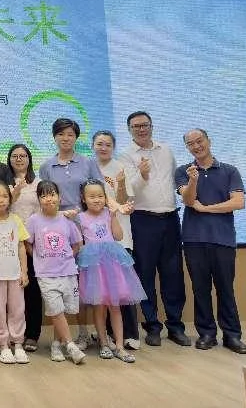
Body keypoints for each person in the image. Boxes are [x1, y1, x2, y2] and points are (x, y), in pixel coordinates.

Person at [120, 111, 190, 347]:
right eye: (136, 126)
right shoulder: (126, 155)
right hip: (143, 219)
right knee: (145, 274)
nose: (141, 129)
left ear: (151, 126)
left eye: (145, 125)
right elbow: (129, 190)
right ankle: (152, 326)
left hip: (170, 218)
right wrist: (142, 174)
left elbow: (175, 181)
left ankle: (176, 326)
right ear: (129, 130)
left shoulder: (166, 150)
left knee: (173, 274)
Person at [175, 129, 246, 355]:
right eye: (191, 144)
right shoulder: (183, 171)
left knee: (226, 288)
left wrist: (207, 208)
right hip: (194, 239)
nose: (196, 146)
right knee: (200, 289)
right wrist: (193, 180)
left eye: (200, 141)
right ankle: (206, 333)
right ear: (187, 147)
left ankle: (232, 335)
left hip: (223, 239)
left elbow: (238, 202)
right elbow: (189, 200)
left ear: (209, 141)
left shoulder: (229, 170)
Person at [38, 117, 104, 350]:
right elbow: (45, 198)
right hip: (57, 231)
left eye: (70, 134)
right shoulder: (47, 166)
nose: (66, 138)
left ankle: (93, 334)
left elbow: (99, 194)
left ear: (76, 137)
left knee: (86, 283)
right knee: (64, 284)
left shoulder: (88, 163)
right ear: (54, 137)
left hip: (87, 230)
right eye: (61, 134)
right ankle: (71, 335)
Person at [76, 179, 145, 364]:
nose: (97, 199)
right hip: (94, 267)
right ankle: (104, 344)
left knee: (115, 307)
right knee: (99, 306)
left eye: (100, 196)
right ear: (83, 198)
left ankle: (119, 346)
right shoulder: (81, 217)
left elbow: (119, 236)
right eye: (92, 196)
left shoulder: (108, 213)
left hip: (112, 264)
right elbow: (79, 243)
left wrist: (114, 216)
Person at [24, 181, 86, 365]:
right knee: (55, 310)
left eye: (51, 194)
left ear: (60, 197)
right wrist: (38, 258)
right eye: (43, 196)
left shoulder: (66, 219)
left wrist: (67, 256)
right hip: (45, 274)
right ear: (38, 199)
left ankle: (56, 344)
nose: (48, 199)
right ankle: (71, 345)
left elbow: (77, 243)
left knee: (64, 310)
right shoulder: (33, 220)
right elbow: (27, 243)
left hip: (68, 272)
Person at [91, 130, 141, 351]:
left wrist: (120, 184)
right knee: (103, 289)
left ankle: (130, 334)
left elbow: (122, 201)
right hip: (97, 237)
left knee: (122, 287)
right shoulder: (89, 167)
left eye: (108, 144)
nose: (103, 148)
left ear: (113, 147)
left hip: (119, 235)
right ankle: (108, 335)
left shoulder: (120, 167)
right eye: (99, 144)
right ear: (93, 145)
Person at [0, 181, 30, 365]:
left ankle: (18, 343)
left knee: (18, 310)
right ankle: (3, 345)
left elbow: (21, 247)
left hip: (15, 275)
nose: (1, 200)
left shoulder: (16, 220)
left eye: (5, 196)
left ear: (10, 199)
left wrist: (24, 272)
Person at [5, 143, 43, 353]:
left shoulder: (38, 183)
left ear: (29, 159)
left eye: (23, 156)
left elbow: (42, 212)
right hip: (8, 244)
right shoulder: (5, 182)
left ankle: (32, 334)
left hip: (32, 243)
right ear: (9, 159)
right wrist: (15, 192)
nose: (19, 159)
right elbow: (2, 206)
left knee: (32, 290)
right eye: (15, 156)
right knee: (10, 291)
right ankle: (11, 333)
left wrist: (33, 241)